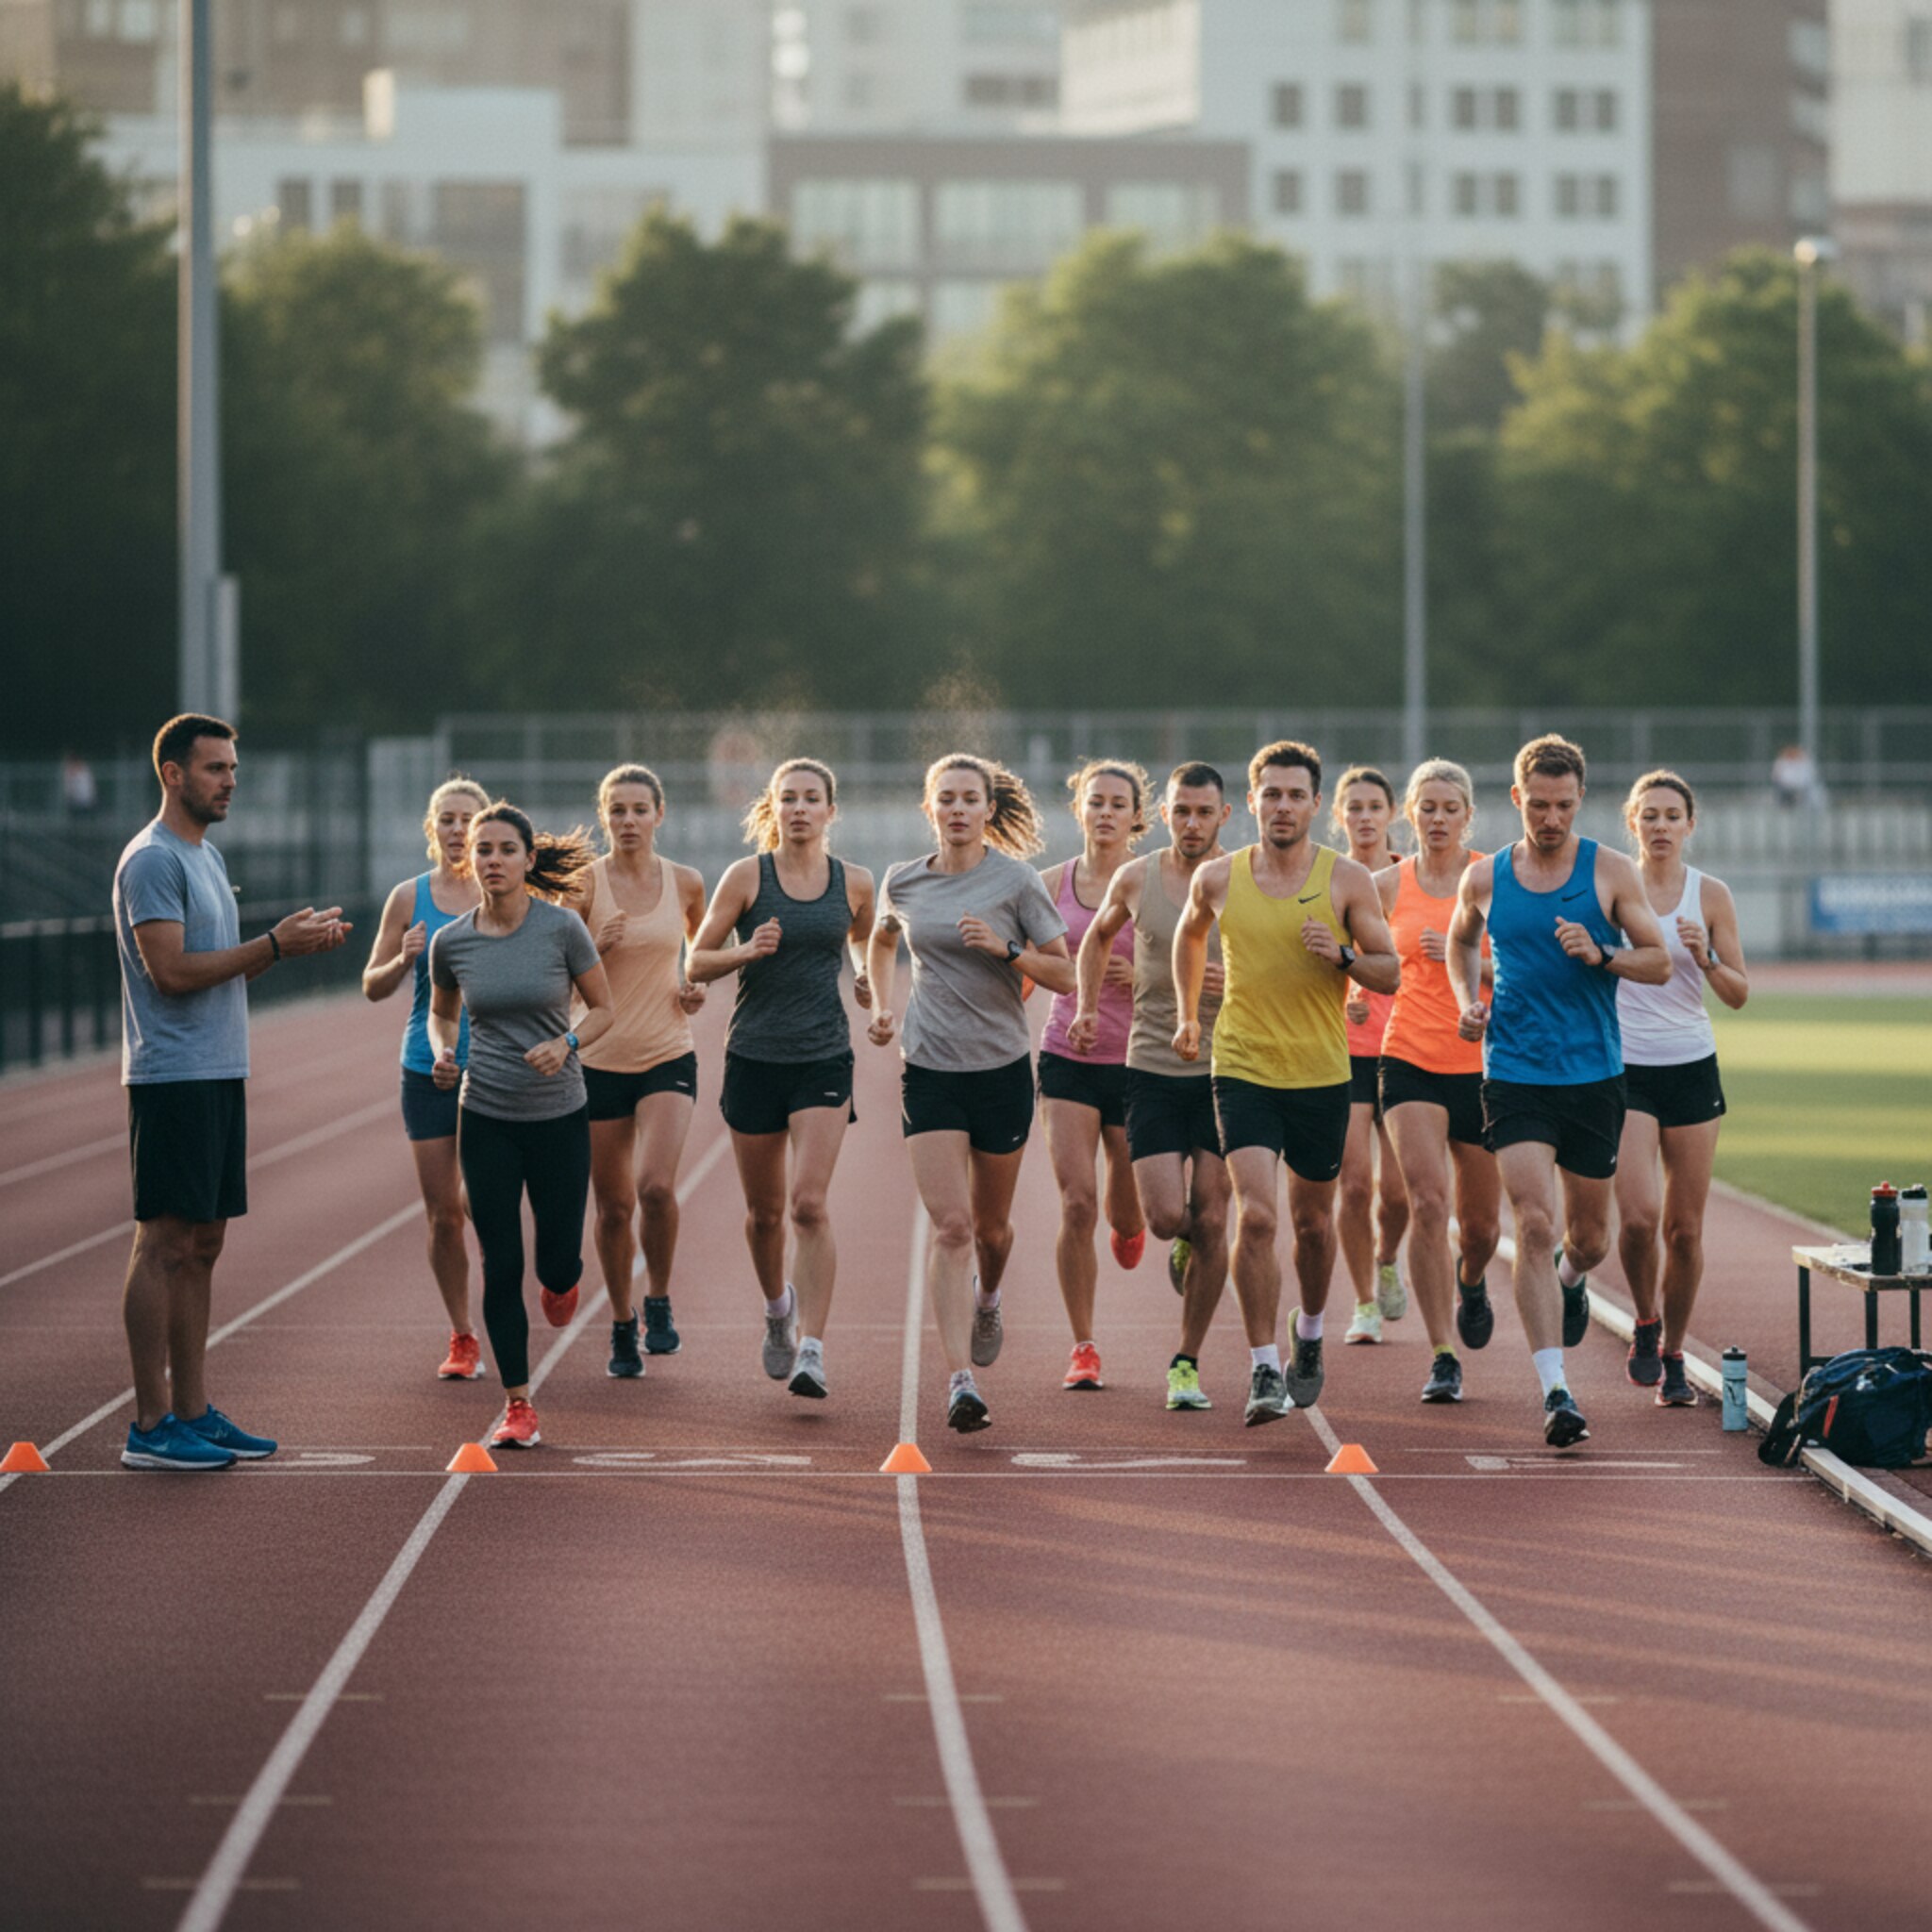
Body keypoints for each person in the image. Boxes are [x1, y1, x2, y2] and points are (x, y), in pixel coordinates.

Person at [115, 714, 350, 1471]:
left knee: (206, 1243)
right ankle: (151, 1425)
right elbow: (172, 973)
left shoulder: (204, 857)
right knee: (164, 1241)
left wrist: (289, 947)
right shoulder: (153, 861)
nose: (230, 782)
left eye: (233, 769)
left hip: (218, 1068)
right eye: (215, 768)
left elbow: (222, 966)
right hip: (172, 1073)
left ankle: (191, 1409)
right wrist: (273, 943)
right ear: (173, 773)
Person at [1446, 735, 1670, 1450]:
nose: (1551, 818)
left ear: (1581, 800)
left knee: (1591, 1239)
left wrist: (1603, 954)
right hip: (1513, 1071)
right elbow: (1459, 941)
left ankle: (1575, 1279)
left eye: (1564, 806)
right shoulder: (1485, 878)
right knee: (1533, 1224)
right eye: (1538, 805)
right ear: (1517, 800)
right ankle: (1556, 1391)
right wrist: (1468, 996)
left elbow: (1659, 962)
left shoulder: (1608, 871)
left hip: (1594, 1076)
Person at [1173, 741, 1400, 1428]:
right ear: (1252, 803)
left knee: (1311, 1224)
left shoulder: (1347, 879)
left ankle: (1307, 1333)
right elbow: (1190, 937)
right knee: (1259, 1216)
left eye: (1295, 795)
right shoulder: (1218, 877)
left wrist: (1345, 956)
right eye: (1271, 794)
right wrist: (1189, 1016)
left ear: (1314, 805)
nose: (1282, 806)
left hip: (1322, 1073)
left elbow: (1390, 971)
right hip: (1242, 1065)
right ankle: (1263, 1365)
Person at [867, 755, 1073, 1434]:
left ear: (989, 809)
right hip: (929, 1065)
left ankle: (990, 1296)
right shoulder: (904, 880)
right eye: (945, 799)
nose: (957, 810)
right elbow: (881, 936)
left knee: (991, 1229)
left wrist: (1007, 950)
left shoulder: (1013, 880)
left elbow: (1065, 975)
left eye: (968, 799)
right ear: (930, 810)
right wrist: (880, 1000)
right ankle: (961, 1381)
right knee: (951, 1226)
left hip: (1001, 1067)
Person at [689, 758, 876, 1399]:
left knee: (808, 1204)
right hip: (755, 1057)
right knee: (764, 1213)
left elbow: (861, 941)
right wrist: (746, 950)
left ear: (830, 810)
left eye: (811, 799)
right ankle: (777, 1312)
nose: (800, 808)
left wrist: (862, 976)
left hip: (823, 1055)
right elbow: (696, 960)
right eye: (789, 798)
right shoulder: (747, 877)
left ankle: (814, 1350)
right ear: (775, 808)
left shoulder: (855, 882)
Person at [428, 804, 613, 1450]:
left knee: (555, 1260)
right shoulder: (450, 942)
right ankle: (518, 1403)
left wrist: (567, 1043)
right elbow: (443, 1015)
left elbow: (603, 1009)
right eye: (483, 850)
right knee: (500, 1262)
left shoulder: (561, 929)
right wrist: (444, 1051)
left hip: (559, 1114)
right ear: (468, 859)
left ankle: (562, 1281)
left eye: (507, 849)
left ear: (530, 860)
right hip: (486, 1116)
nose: (494, 860)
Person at [1072, 761, 1233, 1411]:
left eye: (1204, 812)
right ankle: (1186, 1246)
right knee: (1169, 1218)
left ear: (1225, 816)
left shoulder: (1242, 879)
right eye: (1181, 811)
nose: (1192, 823)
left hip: (1232, 1067)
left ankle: (1186, 1362)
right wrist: (1086, 1005)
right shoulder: (1137, 877)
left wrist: (1240, 983)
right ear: (1163, 814)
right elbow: (1095, 939)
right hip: (1154, 1065)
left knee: (1217, 1215)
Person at [562, 766, 707, 1380]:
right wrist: (597, 943)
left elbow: (699, 950)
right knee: (615, 1206)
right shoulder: (584, 886)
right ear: (603, 817)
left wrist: (693, 984)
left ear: (659, 814)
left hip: (667, 1050)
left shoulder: (688, 882)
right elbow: (553, 972)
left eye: (638, 809)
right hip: (597, 1060)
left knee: (655, 1187)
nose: (628, 821)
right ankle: (622, 1322)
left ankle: (660, 1299)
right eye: (616, 810)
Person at [1614, 771, 1749, 1406]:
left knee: (1685, 1231)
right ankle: (1644, 1320)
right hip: (1625, 1067)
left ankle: (1672, 1353)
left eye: (1672, 815)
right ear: (1631, 822)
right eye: (1650, 815)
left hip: (1691, 1065)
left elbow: (1739, 995)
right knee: (1639, 1219)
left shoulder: (1711, 895)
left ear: (1690, 825)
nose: (1661, 826)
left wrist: (1707, 958)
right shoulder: (1611, 885)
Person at [1374, 760, 1500, 1406]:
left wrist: (1462, 965)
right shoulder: (1384, 885)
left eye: (1451, 807)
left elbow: (1522, 978)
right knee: (1427, 1203)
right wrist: (1350, 986)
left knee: (1481, 1229)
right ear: (1410, 814)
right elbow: (1356, 953)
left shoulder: (1491, 880)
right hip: (1409, 1058)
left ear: (1468, 815)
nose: (1438, 818)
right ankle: (1442, 1353)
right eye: (1427, 807)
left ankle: (1471, 1280)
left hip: (1481, 1067)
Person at [361, 777, 489, 1380]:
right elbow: (371, 985)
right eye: (448, 819)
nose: (459, 830)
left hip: (498, 1065)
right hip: (428, 1065)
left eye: (468, 819)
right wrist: (403, 956)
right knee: (443, 1213)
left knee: (482, 1202)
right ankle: (463, 1334)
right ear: (432, 828)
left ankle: (508, 1306)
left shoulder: (507, 887)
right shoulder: (409, 898)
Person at [1036, 759, 1151, 1391]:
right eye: (1095, 801)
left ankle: (1129, 1223)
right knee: (1076, 1202)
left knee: (1128, 1210)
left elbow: (1200, 959)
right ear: (1078, 809)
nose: (1105, 812)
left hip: (1139, 1060)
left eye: (1118, 803)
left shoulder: (1154, 881)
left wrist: (1148, 979)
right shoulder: (1049, 884)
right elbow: (1029, 966)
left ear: (1137, 816)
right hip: (1067, 1056)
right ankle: (1083, 1346)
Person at [1331, 766, 1411, 1345]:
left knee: (1401, 1191)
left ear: (1391, 815)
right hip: (1345, 1051)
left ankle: (1387, 1258)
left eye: (1374, 807)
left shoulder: (1414, 878)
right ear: (1339, 815)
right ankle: (1363, 1302)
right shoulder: (1326, 880)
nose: (1363, 817)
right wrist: (1346, 1000)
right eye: (1353, 807)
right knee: (1354, 1184)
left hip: (1407, 1047)